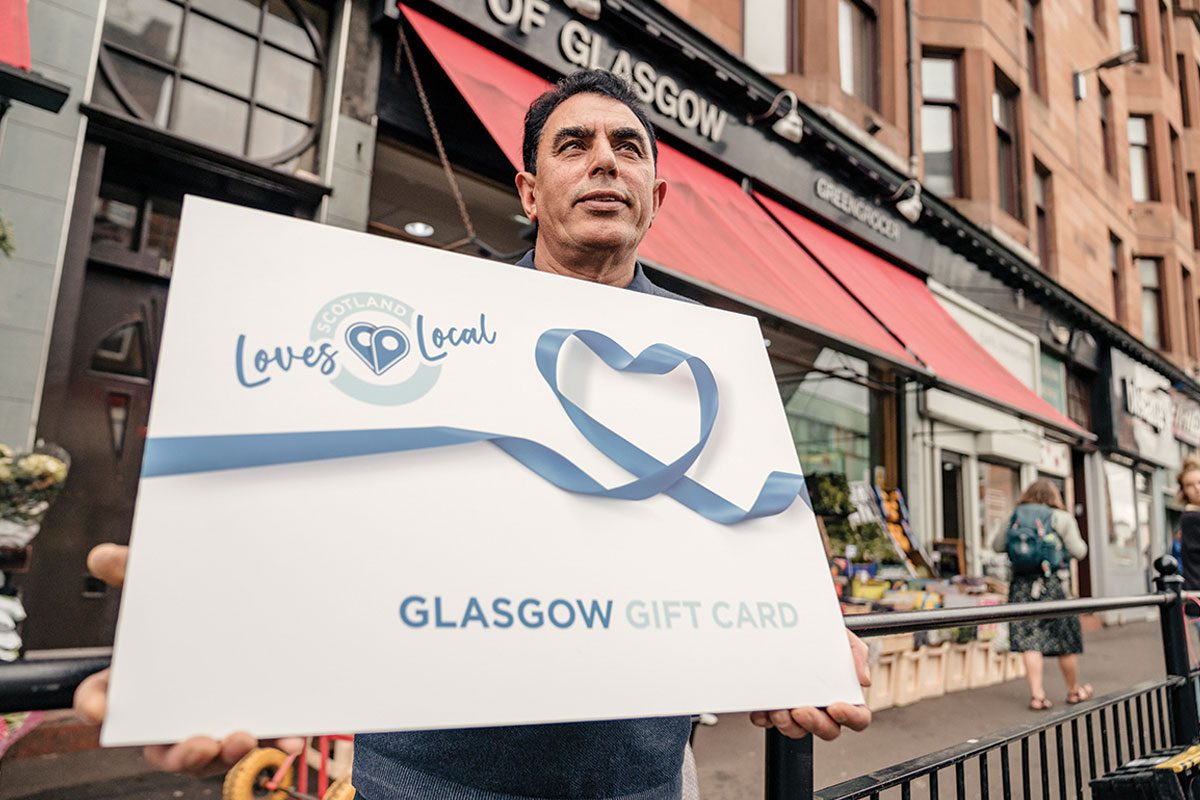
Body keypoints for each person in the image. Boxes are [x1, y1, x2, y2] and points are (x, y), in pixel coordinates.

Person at [74, 70, 871, 798]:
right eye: (574, 145)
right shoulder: (433, 320)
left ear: (654, 197)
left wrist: (798, 636)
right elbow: (334, 509)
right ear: (529, 191)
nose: (604, 162)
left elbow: (747, 536)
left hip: (638, 781)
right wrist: (208, 613)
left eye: (627, 148)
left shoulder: (715, 358)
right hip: (428, 779)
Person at [990, 479, 1090, 711]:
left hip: (1022, 586)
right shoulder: (1061, 517)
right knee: (1065, 640)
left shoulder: (1015, 515)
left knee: (1029, 640)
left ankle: (1037, 695)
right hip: (1053, 585)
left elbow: (996, 545)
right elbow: (1079, 551)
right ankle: (1073, 690)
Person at [1176, 455, 1200, 589]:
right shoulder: (1192, 518)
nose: (1197, 489)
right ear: (1184, 491)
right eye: (1189, 485)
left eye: (1199, 482)